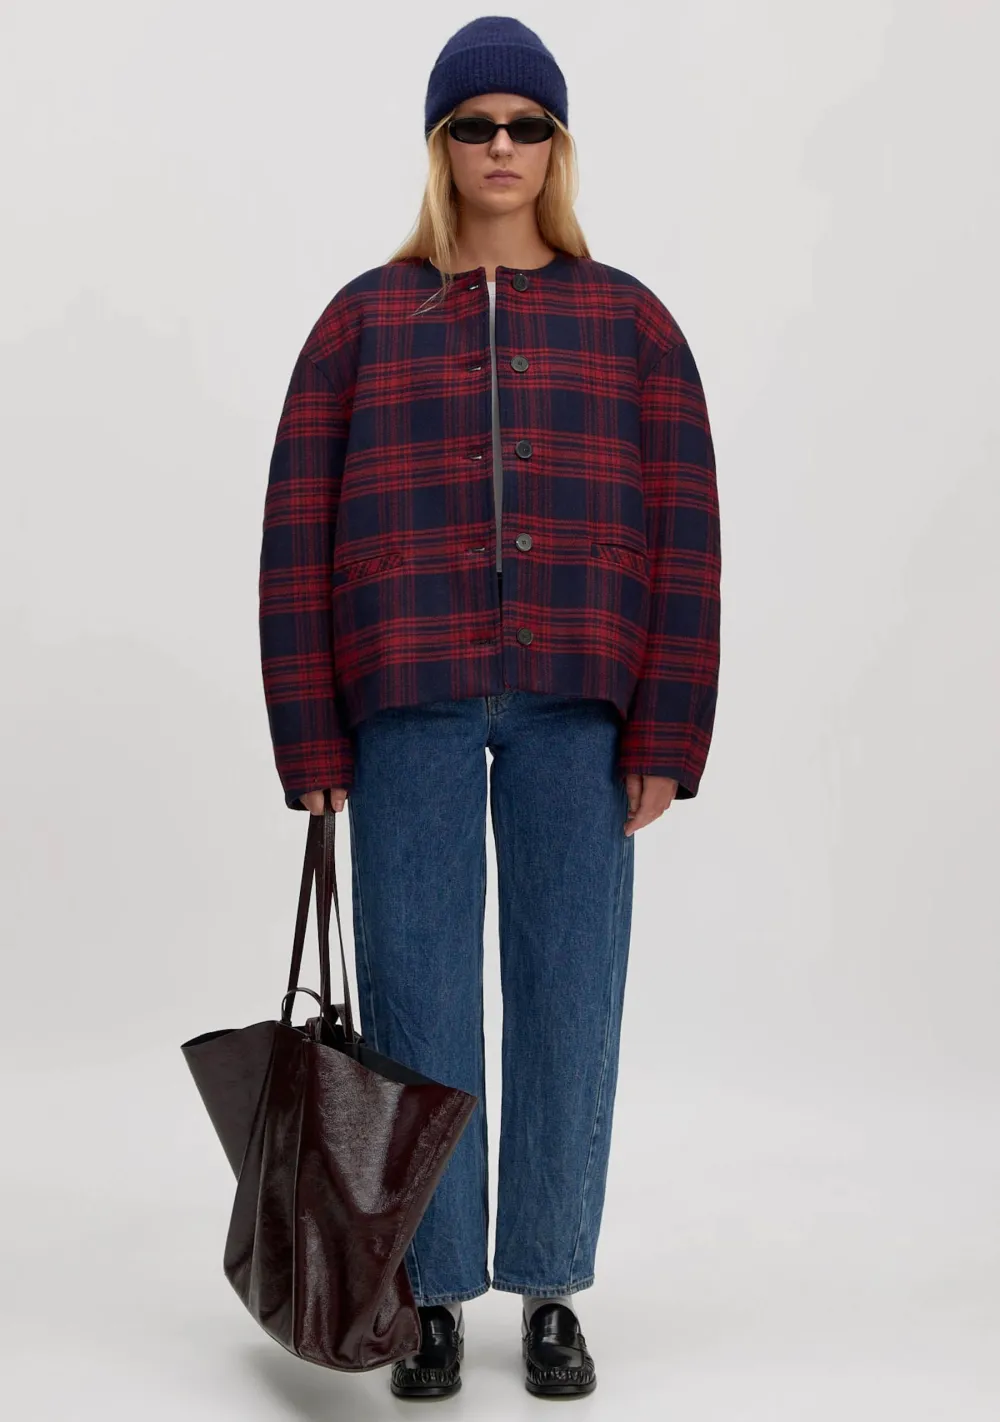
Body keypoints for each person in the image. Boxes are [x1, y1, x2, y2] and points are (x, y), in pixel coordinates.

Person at [258, 14, 721, 1401]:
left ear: (557, 147)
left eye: (527, 126)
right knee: (420, 1009)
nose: (502, 148)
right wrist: (309, 736)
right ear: (440, 146)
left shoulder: (630, 323)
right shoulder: (361, 320)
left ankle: (553, 1285)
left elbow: (687, 535)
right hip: (406, 700)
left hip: (580, 703)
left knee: (571, 995)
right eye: (476, 127)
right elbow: (294, 537)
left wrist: (669, 731)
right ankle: (438, 1293)